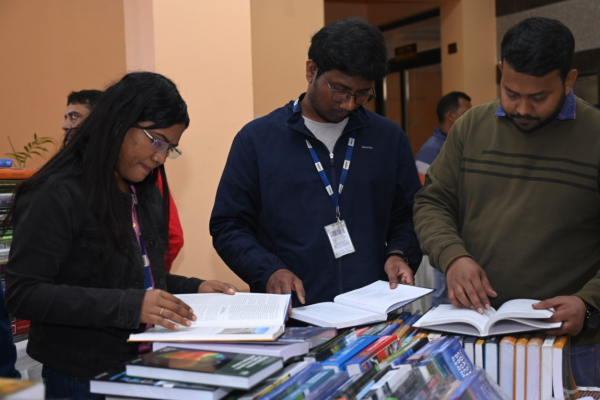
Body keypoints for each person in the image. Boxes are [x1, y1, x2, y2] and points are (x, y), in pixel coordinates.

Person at [3, 72, 237, 399]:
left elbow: (135, 277)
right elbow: (25, 293)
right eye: (156, 140)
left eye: (170, 148)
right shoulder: (56, 193)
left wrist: (194, 287)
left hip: (141, 362)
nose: (160, 157)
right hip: (81, 374)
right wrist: (130, 305)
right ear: (118, 123)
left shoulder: (143, 190)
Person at [413, 16, 600, 386]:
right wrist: (453, 256)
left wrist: (590, 301)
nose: (523, 109)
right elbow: (432, 203)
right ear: (501, 70)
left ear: (569, 80)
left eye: (538, 97)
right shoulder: (470, 127)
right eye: (511, 93)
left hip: (571, 348)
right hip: (477, 336)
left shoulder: (595, 136)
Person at [210, 18, 422, 307]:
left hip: (373, 309)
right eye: (340, 90)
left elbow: (410, 215)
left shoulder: (388, 138)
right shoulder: (257, 140)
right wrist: (268, 269)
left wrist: (399, 253)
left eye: (362, 94)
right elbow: (229, 225)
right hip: (293, 313)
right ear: (312, 71)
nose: (349, 104)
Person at [61, 89, 184, 272]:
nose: (65, 125)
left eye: (74, 117)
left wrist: (151, 277)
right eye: (66, 117)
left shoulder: (143, 174)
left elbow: (172, 236)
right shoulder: (62, 188)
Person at [414, 92, 471, 307]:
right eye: (466, 111)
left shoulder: (457, 144)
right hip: (443, 235)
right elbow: (424, 197)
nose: (471, 116)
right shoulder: (432, 150)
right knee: (444, 296)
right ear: (450, 116)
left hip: (459, 234)